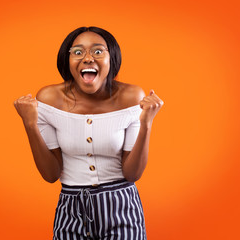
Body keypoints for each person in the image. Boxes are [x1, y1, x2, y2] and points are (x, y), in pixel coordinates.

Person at [13, 26, 163, 239]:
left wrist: (146, 123)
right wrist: (30, 124)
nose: (87, 58)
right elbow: (51, 174)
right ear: (68, 61)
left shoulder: (132, 96)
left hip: (122, 208)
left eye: (98, 51)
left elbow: (132, 174)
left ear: (112, 59)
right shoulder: (49, 98)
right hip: (71, 209)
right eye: (78, 52)